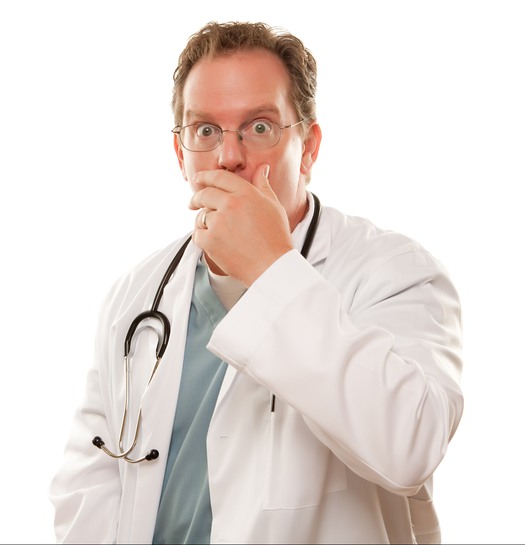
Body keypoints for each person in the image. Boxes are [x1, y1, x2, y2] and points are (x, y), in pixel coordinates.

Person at [49, 21, 463, 544]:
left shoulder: (394, 272)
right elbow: (88, 486)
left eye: (260, 127)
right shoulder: (136, 295)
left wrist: (271, 267)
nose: (229, 156)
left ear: (308, 149)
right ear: (180, 155)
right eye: (205, 131)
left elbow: (411, 446)